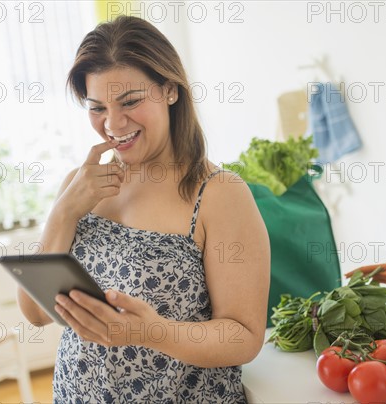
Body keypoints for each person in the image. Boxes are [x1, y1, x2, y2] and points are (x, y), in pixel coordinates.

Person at [17, 15, 270, 403]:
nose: (113, 123)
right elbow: (34, 314)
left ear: (170, 90)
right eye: (96, 107)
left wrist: (150, 332)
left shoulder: (220, 194)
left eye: (130, 102)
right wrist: (64, 212)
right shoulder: (79, 185)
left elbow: (243, 335)